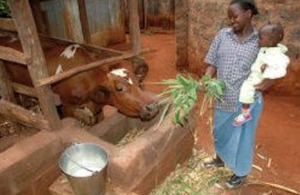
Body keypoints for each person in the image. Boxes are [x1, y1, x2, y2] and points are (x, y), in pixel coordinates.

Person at [203, 0, 275, 189]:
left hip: (247, 102)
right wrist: (206, 78)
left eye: (235, 17)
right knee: (220, 131)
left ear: (248, 13)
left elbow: (275, 66)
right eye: (229, 18)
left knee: (243, 138)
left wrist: (266, 83)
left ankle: (240, 173)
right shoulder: (222, 36)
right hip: (223, 97)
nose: (231, 21)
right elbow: (212, 62)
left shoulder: (261, 40)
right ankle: (220, 159)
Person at [233, 23, 290, 126]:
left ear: (271, 41)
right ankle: (245, 112)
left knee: (246, 91)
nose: (258, 40)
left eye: (261, 38)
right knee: (245, 90)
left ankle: (245, 114)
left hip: (258, 77)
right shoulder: (266, 48)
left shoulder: (276, 55)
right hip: (254, 74)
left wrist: (266, 77)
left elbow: (278, 68)